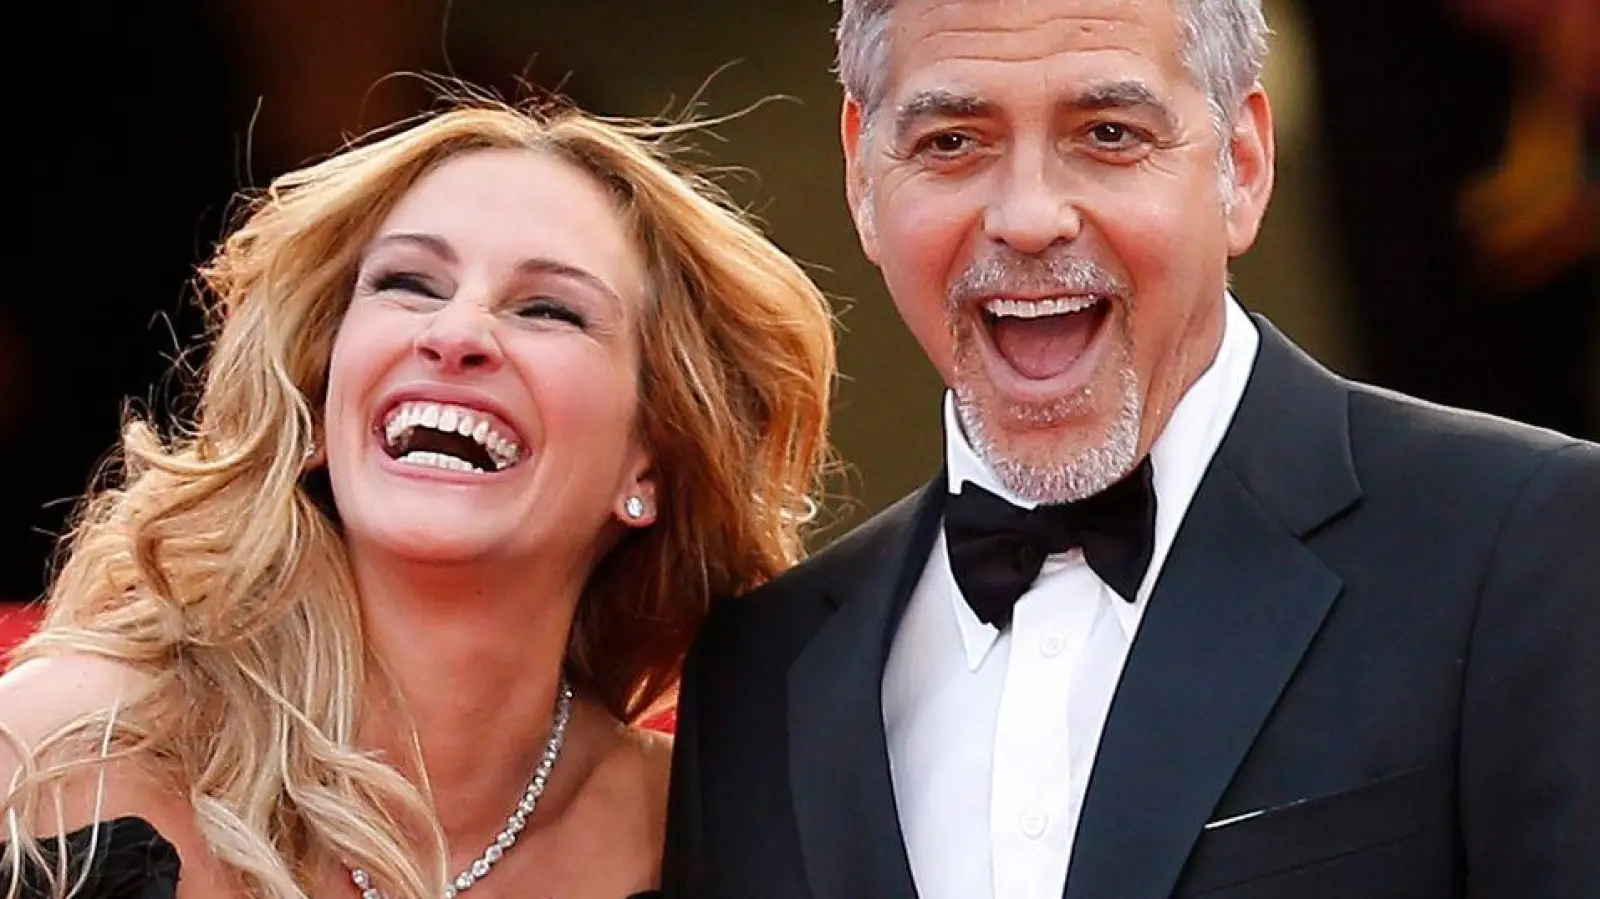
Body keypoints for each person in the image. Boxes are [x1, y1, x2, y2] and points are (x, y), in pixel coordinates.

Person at [661, 1, 1599, 898]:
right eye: (952, 142)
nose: (1029, 217)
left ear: (1243, 163)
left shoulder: (1526, 544)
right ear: (863, 179)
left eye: (1109, 133)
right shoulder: (757, 672)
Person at [0, 99, 836, 899]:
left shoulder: (710, 835)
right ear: (319, 406)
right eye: (408, 283)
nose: (457, 334)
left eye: (549, 309)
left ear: (648, 465)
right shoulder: (63, 748)